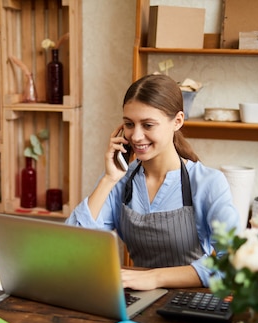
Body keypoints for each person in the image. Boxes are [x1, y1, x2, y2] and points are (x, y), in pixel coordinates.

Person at [66, 74, 239, 290]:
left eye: (148, 125)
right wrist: (108, 179)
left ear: (177, 121)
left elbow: (233, 263)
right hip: (137, 299)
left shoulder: (208, 183)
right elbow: (72, 246)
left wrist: (156, 278)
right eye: (129, 124)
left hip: (190, 301)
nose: (136, 136)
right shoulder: (121, 181)